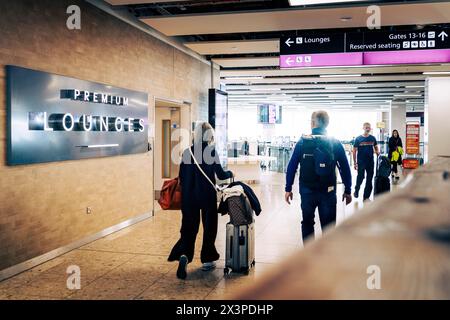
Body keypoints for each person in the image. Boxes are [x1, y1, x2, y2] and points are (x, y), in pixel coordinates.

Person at [168, 122, 233, 279]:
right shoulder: (211, 152)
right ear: (209, 135)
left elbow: (182, 178)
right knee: (209, 227)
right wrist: (230, 172)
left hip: (189, 197)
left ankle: (184, 255)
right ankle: (207, 260)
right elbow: (221, 175)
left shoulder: (186, 152)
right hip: (207, 196)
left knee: (189, 228)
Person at [285, 111, 352, 242]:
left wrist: (288, 188)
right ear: (327, 124)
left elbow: (291, 166)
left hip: (307, 190)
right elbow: (345, 168)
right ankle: (327, 258)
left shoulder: (302, 142)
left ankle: (309, 255)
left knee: (307, 223)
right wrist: (348, 190)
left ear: (312, 123)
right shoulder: (335, 143)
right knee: (329, 228)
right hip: (328, 190)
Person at [352, 122, 380, 201]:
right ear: (363, 128)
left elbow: (376, 146)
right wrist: (355, 163)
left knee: (369, 179)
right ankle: (356, 190)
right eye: (366, 127)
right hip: (361, 162)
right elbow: (354, 151)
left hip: (370, 162)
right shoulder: (358, 139)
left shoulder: (373, 138)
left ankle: (366, 196)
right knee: (361, 177)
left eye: (369, 127)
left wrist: (377, 151)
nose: (368, 128)